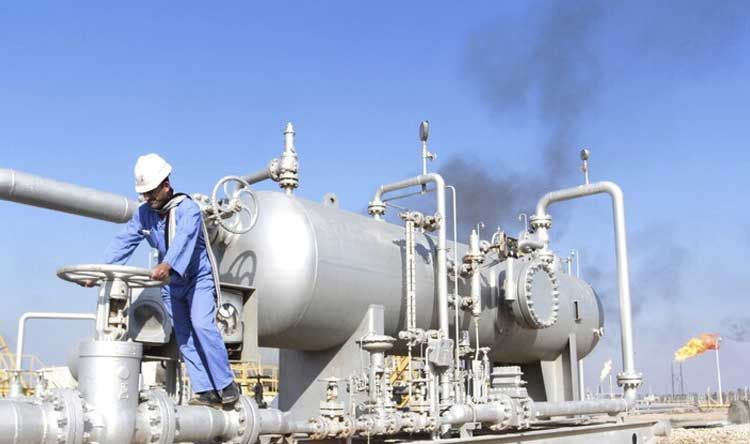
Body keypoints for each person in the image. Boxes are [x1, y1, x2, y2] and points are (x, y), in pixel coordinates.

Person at [101, 153, 239, 406]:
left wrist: (167, 264)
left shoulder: (189, 210)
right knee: (184, 336)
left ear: (166, 185)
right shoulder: (145, 214)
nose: (147, 198)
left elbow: (183, 239)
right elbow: (125, 240)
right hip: (172, 285)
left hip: (197, 279)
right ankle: (206, 390)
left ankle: (226, 384)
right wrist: (103, 269)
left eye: (151, 192)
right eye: (144, 193)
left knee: (202, 326)